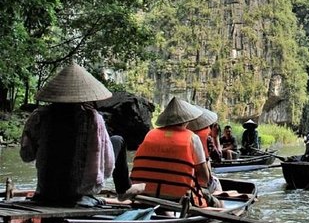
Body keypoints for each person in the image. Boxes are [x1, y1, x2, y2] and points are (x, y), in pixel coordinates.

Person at [19, 62, 133, 206]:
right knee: (118, 140)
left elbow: (26, 156)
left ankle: (123, 190)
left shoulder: (39, 116)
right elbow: (107, 165)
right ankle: (124, 190)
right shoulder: (92, 118)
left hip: (45, 193)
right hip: (76, 196)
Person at [130, 97, 221, 207]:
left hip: (144, 192)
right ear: (187, 120)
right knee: (215, 203)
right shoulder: (192, 138)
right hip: (178, 196)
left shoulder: (150, 134)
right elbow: (204, 178)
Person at [187, 106, 223, 194]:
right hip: (200, 183)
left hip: (185, 179)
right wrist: (216, 137)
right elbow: (218, 159)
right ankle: (221, 206)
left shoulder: (185, 135)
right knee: (216, 182)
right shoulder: (207, 138)